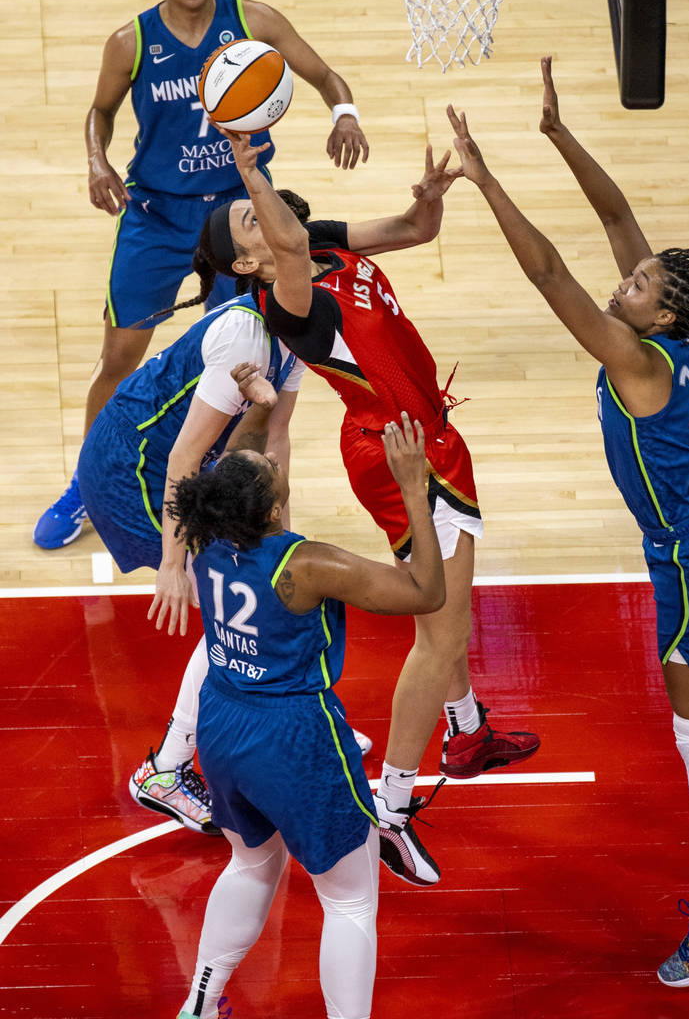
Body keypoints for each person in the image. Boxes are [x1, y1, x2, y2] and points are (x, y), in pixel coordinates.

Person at [444, 57, 689, 988]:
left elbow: (550, 274)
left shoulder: (635, 357)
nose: (627, 278)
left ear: (658, 311)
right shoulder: (674, 328)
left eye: (639, 282)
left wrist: (486, 174)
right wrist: (555, 133)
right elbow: (619, 221)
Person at [192, 130, 540, 886]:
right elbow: (284, 247)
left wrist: (430, 200)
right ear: (249, 264)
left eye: (258, 206)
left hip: (423, 433)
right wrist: (248, 169)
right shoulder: (289, 301)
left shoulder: (319, 239)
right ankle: (392, 808)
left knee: (443, 621)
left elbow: (414, 232)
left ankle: (469, 731)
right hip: (398, 450)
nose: (263, 213)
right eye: (249, 220)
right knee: (440, 632)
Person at [34, 0, 369, 551]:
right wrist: (97, 160)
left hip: (236, 220)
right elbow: (98, 113)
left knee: (251, 362)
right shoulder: (130, 42)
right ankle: (85, 483)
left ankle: (229, 485)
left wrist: (344, 114)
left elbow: (324, 73)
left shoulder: (253, 20)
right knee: (120, 355)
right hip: (156, 217)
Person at [169, 409, 445, 1019]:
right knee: (349, 901)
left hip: (221, 724)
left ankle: (200, 1003)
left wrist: (260, 406)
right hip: (293, 736)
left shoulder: (206, 534)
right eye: (269, 465)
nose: (271, 456)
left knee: (252, 865)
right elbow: (427, 592)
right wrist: (412, 490)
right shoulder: (306, 566)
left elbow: (235, 464)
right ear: (272, 511)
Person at [76, 282, 303, 835]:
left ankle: (297, 725)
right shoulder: (244, 334)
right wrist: (174, 564)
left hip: (185, 466)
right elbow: (185, 455)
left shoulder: (298, 330)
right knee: (236, 605)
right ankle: (166, 769)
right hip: (132, 471)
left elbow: (273, 442)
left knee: (269, 590)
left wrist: (281, 547)